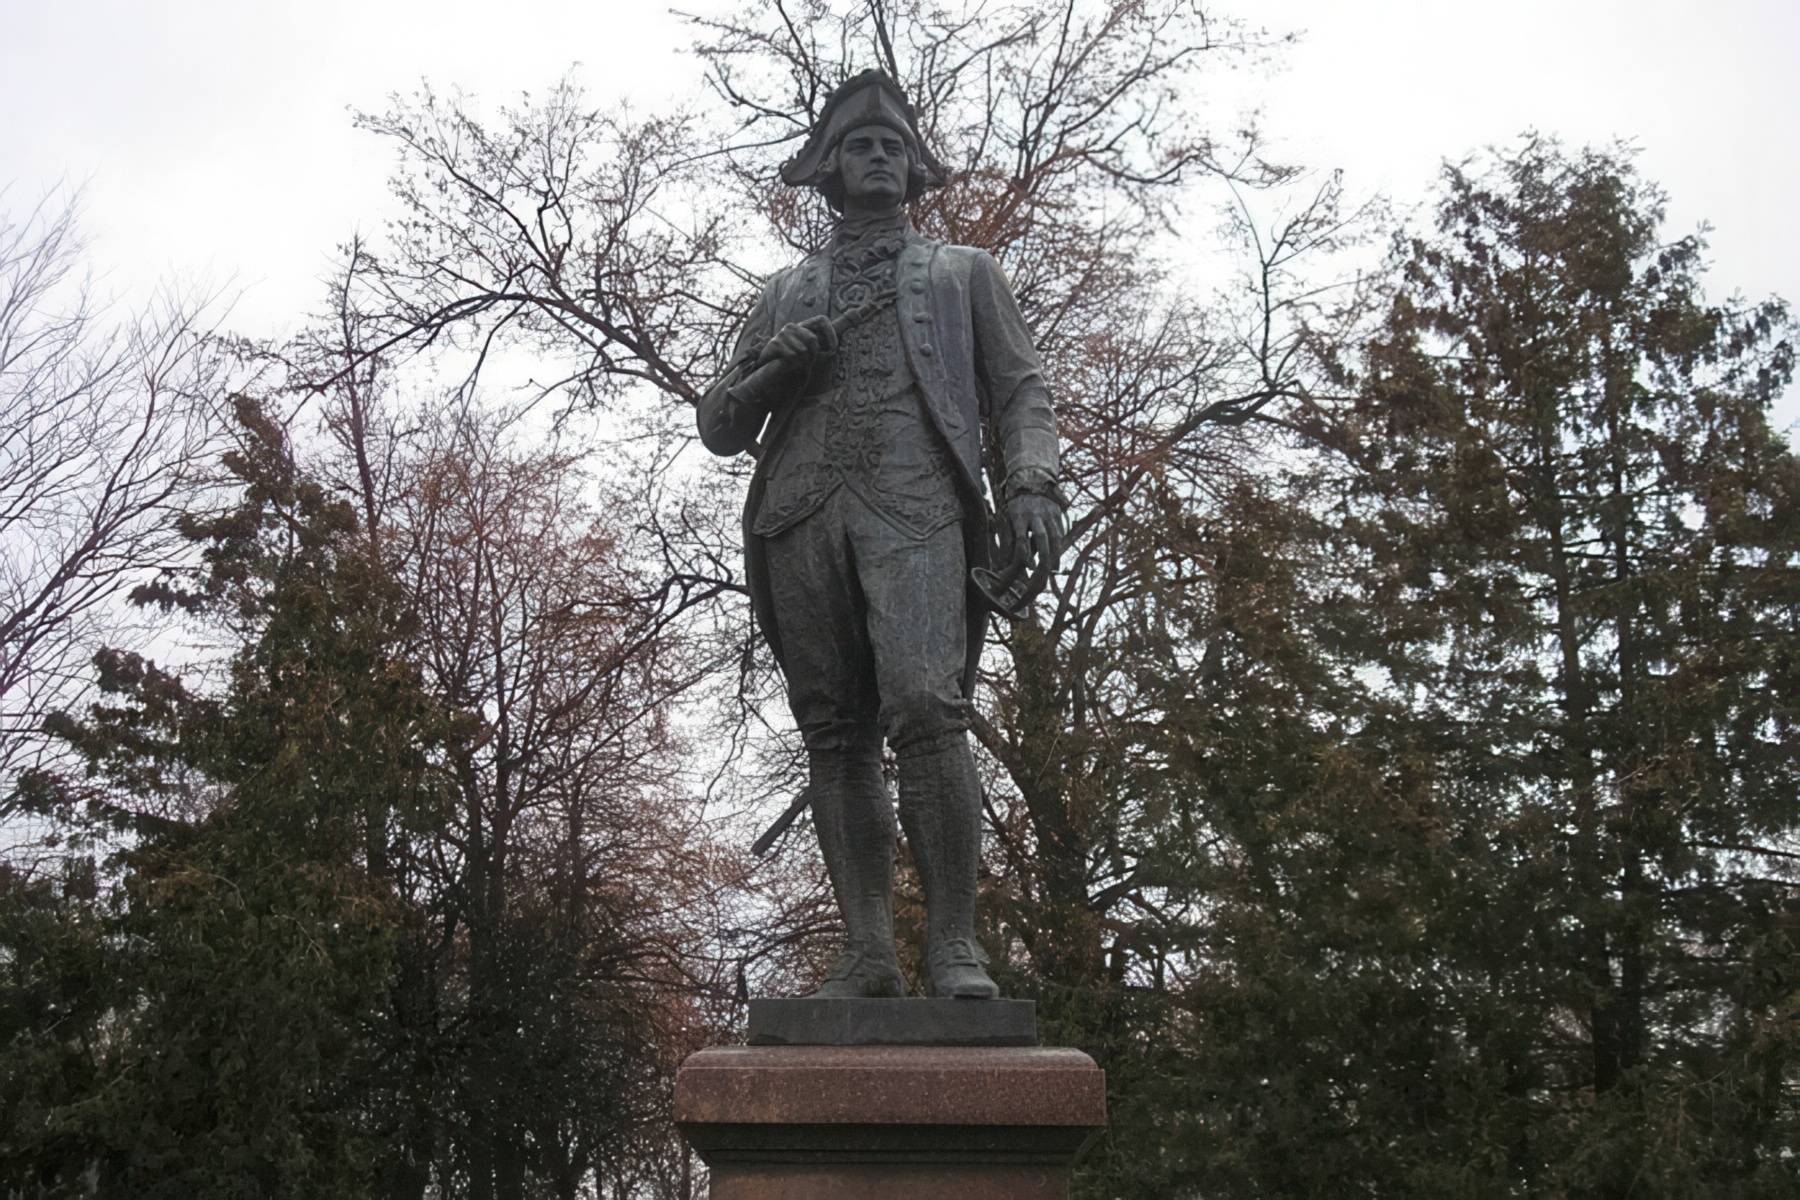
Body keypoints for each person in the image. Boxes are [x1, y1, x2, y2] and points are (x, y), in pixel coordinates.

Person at [698, 70, 1065, 999]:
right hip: (799, 515)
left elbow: (1021, 388)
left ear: (913, 169)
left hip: (918, 507)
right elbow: (720, 426)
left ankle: (954, 947)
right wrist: (771, 373)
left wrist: (1031, 485)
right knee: (834, 733)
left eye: (892, 147)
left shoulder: (963, 272)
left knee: (927, 707)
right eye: (859, 146)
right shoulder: (784, 292)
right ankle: (868, 953)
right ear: (829, 168)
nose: (877, 158)